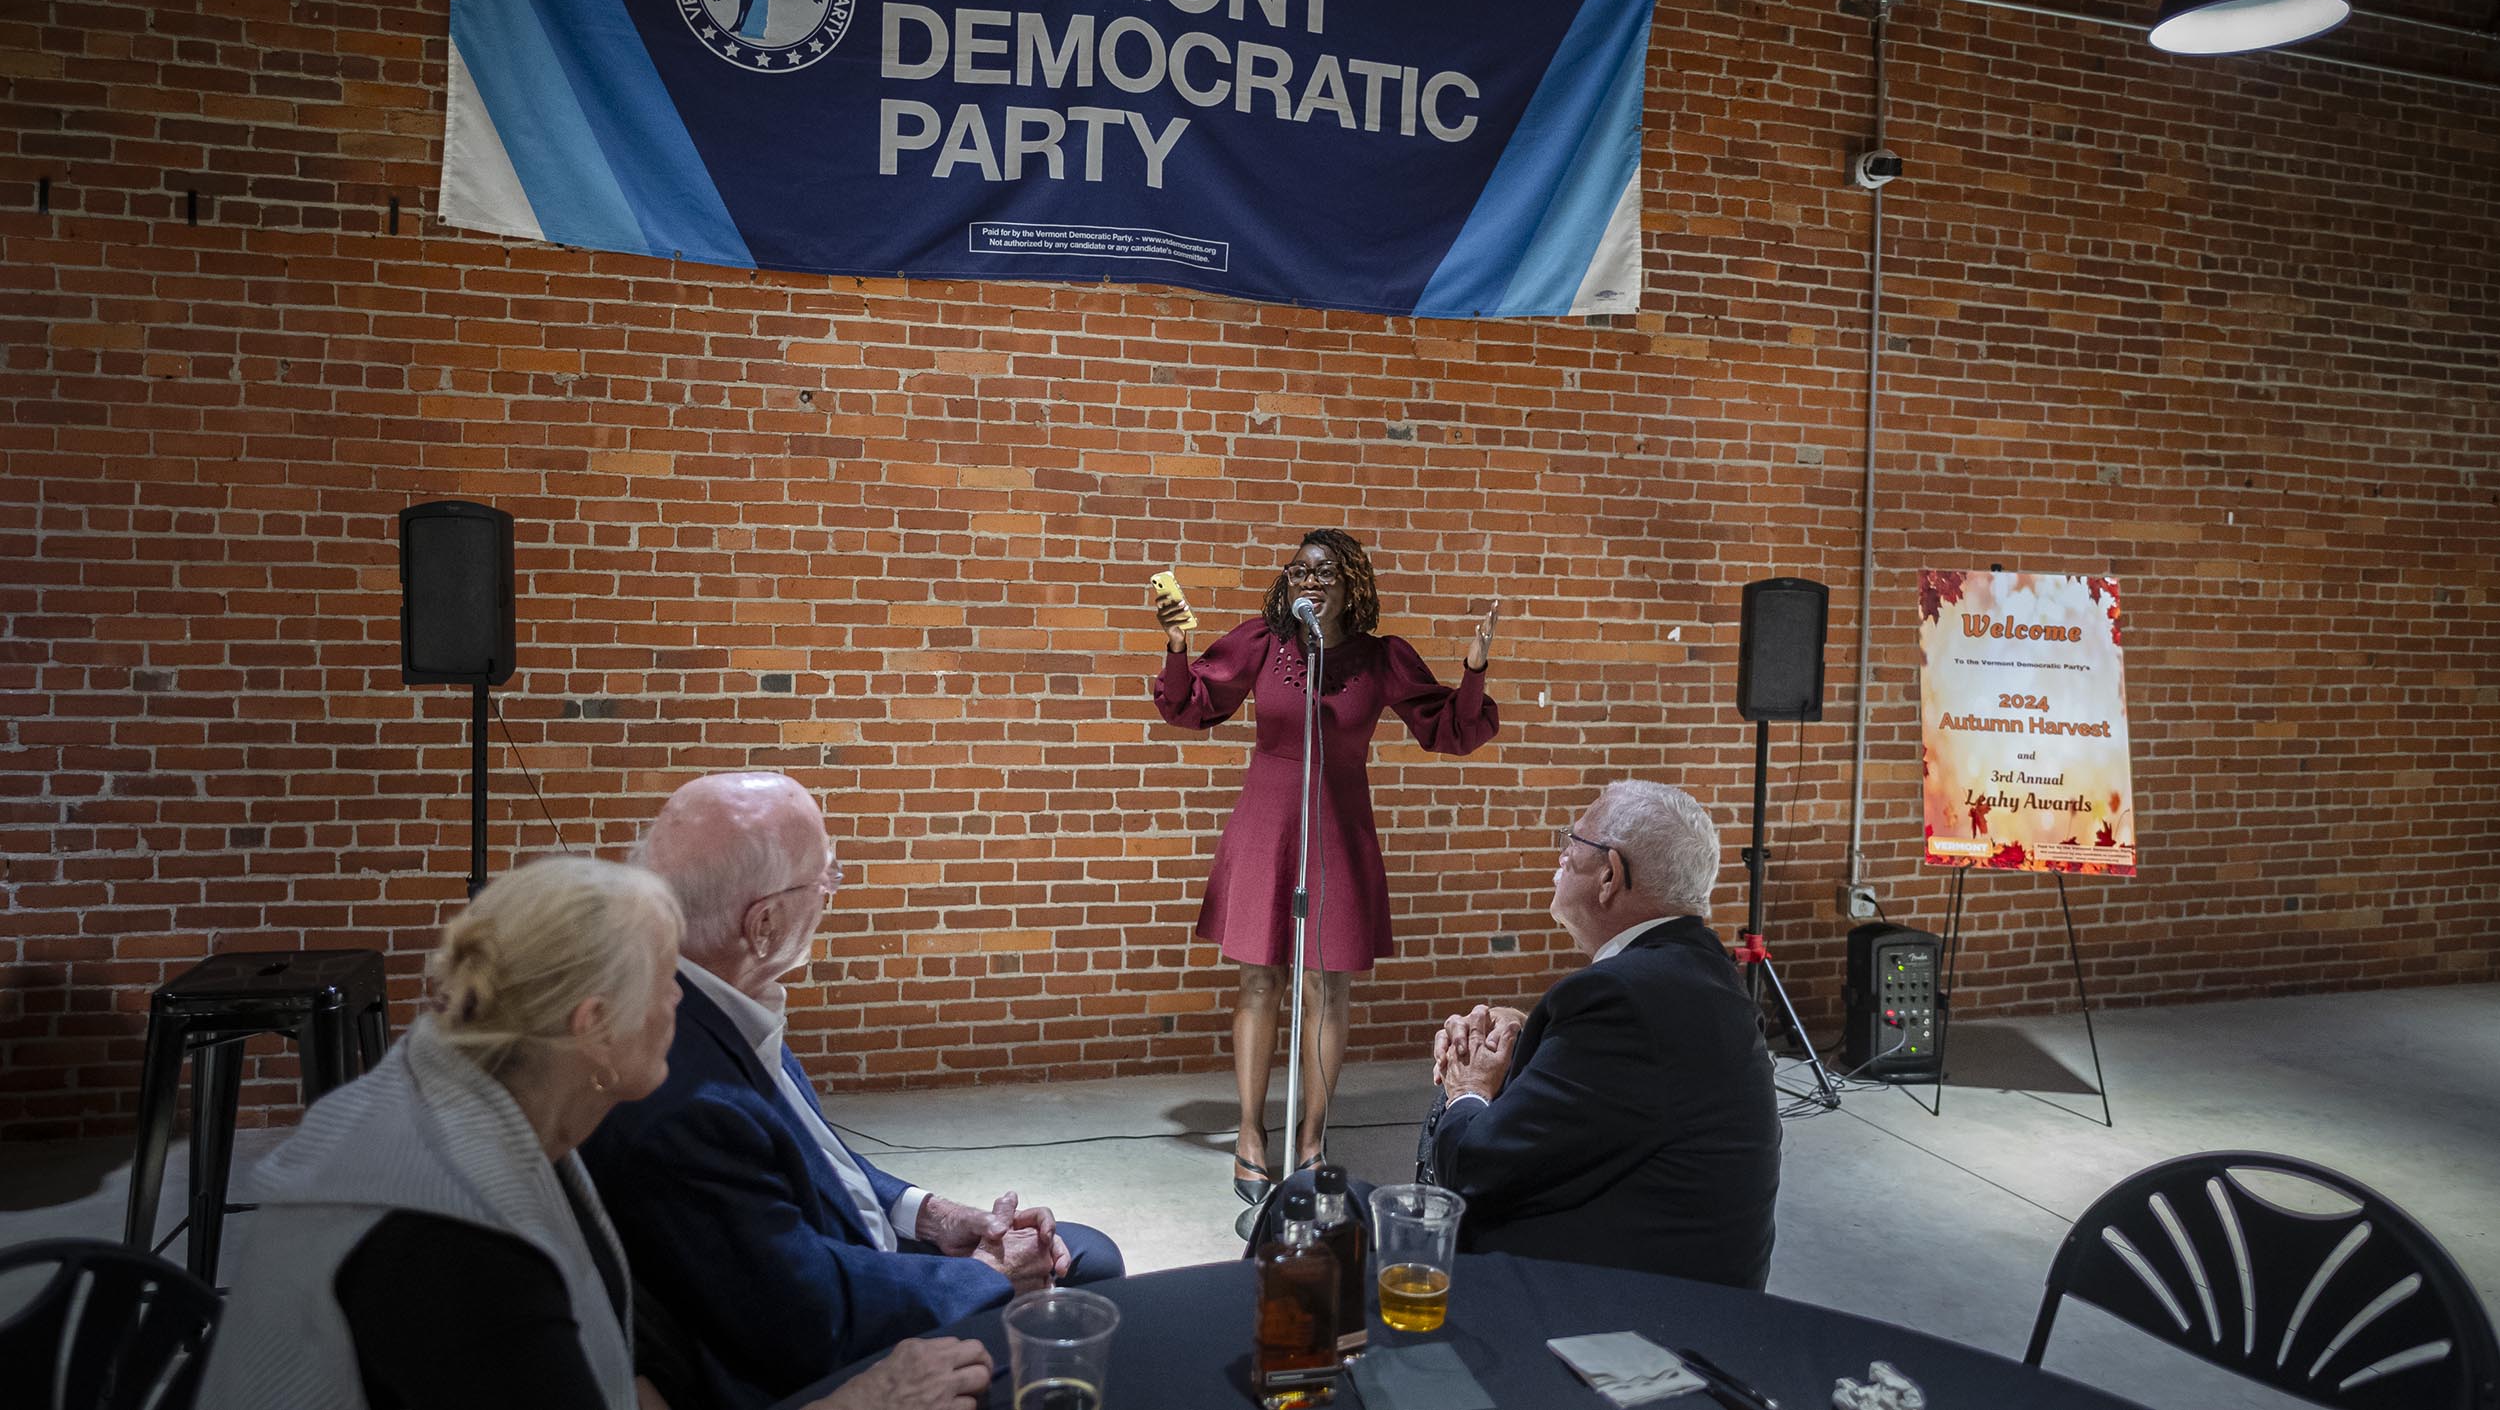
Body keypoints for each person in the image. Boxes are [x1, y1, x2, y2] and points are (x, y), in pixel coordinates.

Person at [198, 855, 993, 1410]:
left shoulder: (480, 1084)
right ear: (593, 1028)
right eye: (666, 983)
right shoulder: (452, 1243)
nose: (683, 1007)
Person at [581, 771, 1125, 1410]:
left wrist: (933, 1215)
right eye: (825, 878)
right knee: (1081, 1286)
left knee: (1083, 1254)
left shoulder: (712, 989)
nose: (833, 892)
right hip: (825, 1344)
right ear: (763, 924)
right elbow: (805, 1313)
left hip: (834, 1262)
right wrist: (985, 1275)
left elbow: (813, 1158)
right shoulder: (682, 1097)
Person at [1154, 527, 1499, 1198]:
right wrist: (1177, 648)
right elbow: (1194, 704)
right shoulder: (1261, 641)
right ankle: (1252, 1133)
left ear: (1352, 586)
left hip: (1338, 825)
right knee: (1260, 978)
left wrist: (1474, 670)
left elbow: (1449, 729)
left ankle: (1312, 1136)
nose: (1309, 582)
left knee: (1327, 987)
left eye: (1324, 573)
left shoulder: (1380, 658)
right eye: (1299, 571)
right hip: (1265, 824)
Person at [1428, 780, 1782, 1290]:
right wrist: (1523, 1033)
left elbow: (1473, 1166)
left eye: (1571, 843)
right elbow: (1612, 1097)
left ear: (1609, 875)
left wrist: (1466, 1088)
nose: (1560, 858)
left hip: (1633, 1308)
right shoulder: (1696, 971)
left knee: (1327, 1213)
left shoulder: (1622, 1000)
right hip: (1683, 1279)